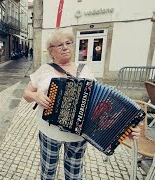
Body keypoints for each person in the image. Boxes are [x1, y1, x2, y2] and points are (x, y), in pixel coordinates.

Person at [23, 30, 142, 180]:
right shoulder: (45, 70)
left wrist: (126, 127)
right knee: (48, 171)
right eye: (60, 45)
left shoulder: (85, 71)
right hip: (49, 133)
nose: (65, 47)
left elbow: (102, 105)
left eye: (68, 43)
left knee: (74, 174)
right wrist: (36, 96)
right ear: (51, 51)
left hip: (78, 136)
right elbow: (26, 94)